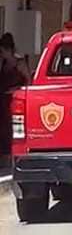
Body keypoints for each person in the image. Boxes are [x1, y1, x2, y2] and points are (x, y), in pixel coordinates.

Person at [0, 33, 30, 165]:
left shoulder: (20, 62)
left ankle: (11, 159)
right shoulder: (3, 63)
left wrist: (17, 89)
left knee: (11, 130)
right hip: (2, 101)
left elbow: (29, 81)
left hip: (14, 101)